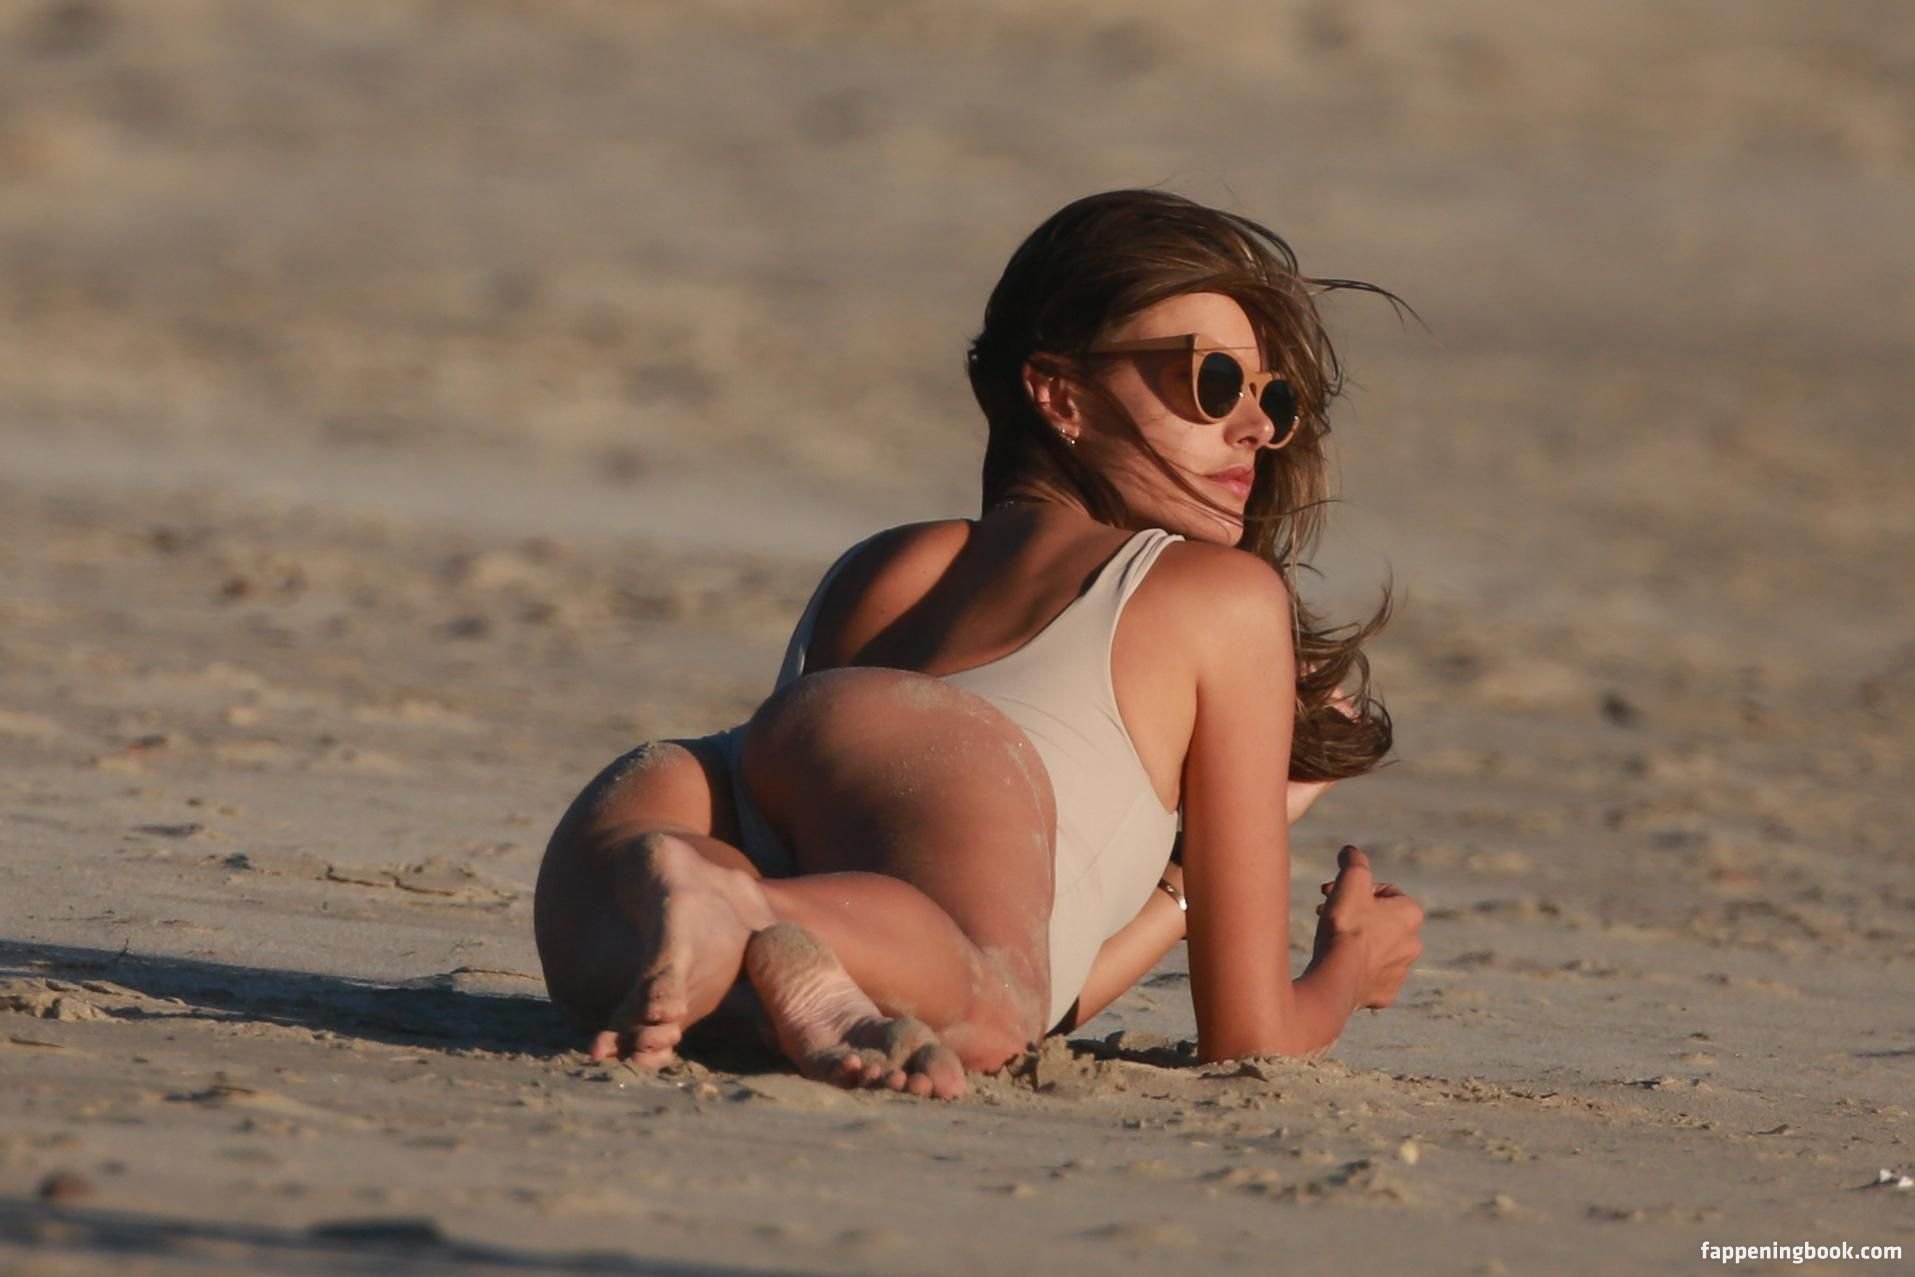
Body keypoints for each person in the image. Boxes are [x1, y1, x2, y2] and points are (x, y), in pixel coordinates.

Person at [533, 189, 1424, 1100]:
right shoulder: (1222, 595)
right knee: (987, 1003)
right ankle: (746, 905)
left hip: (694, 791)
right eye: (1212, 382)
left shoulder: (885, 562)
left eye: (1274, 397)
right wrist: (1350, 965)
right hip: (947, 771)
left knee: (803, 982)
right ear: (1059, 393)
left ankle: (714, 896)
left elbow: (1012, 976)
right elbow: (1247, 1036)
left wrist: (1188, 875)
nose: (1256, 428)